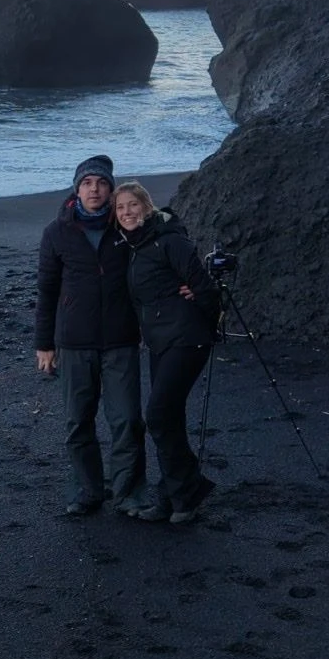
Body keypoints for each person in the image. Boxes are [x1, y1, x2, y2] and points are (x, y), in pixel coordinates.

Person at [35, 154, 148, 518]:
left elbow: (167, 238)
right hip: (74, 342)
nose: (94, 189)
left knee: (127, 421)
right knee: (77, 421)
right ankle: (87, 491)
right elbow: (47, 289)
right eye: (87, 183)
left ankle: (128, 493)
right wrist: (44, 344)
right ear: (76, 188)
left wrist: (186, 288)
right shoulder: (57, 232)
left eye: (101, 183)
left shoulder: (128, 226)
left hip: (121, 340)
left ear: (111, 190)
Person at [112, 180, 219, 523]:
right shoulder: (135, 246)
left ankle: (187, 492)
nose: (127, 212)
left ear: (146, 206)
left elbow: (204, 288)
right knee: (168, 418)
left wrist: (200, 324)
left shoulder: (169, 240)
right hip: (161, 341)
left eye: (133, 205)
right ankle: (176, 496)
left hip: (187, 340)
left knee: (158, 415)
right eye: (120, 208)